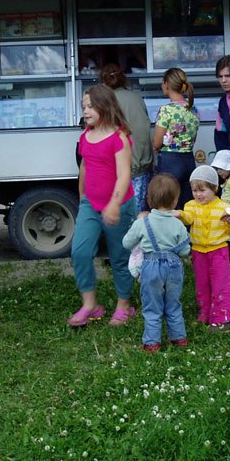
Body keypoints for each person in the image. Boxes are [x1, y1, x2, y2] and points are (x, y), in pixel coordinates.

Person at [68, 84, 137, 328]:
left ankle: (124, 304)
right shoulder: (85, 135)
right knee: (80, 251)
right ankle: (91, 305)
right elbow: (85, 167)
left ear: (105, 106)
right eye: (83, 107)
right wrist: (82, 197)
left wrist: (114, 204)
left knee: (119, 256)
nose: (85, 111)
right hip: (90, 205)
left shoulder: (120, 138)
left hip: (119, 205)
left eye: (90, 106)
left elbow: (124, 174)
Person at [122, 173, 191, 352]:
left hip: (151, 267)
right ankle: (179, 338)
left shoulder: (142, 222)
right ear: (175, 200)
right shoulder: (178, 224)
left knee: (152, 306)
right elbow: (185, 251)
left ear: (149, 198)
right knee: (173, 304)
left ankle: (152, 343)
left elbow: (126, 243)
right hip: (174, 267)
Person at [176, 165, 230, 332]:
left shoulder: (223, 207)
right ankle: (205, 314)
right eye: (194, 190)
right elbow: (188, 219)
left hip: (219, 251)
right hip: (198, 252)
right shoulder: (190, 205)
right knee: (202, 284)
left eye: (202, 190)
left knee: (221, 284)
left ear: (215, 189)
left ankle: (222, 319)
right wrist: (180, 215)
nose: (198, 194)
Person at [100, 63, 154, 212]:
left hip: (119, 167)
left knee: (119, 212)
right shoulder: (136, 97)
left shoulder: (105, 102)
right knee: (138, 212)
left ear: (103, 82)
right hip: (142, 163)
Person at [153, 67, 200, 208]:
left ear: (166, 84)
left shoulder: (167, 110)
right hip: (188, 161)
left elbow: (156, 142)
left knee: (166, 206)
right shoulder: (193, 109)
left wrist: (157, 148)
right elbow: (193, 138)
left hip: (170, 162)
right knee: (186, 206)